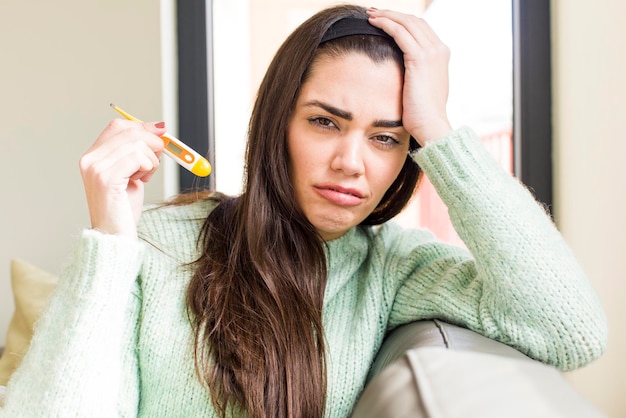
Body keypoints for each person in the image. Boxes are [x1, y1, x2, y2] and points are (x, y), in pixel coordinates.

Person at [0, 5, 607, 418]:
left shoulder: (393, 269)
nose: (352, 162)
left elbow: (568, 330)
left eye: (388, 137)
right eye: (325, 122)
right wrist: (110, 240)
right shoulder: (160, 242)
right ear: (277, 122)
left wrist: (441, 130)